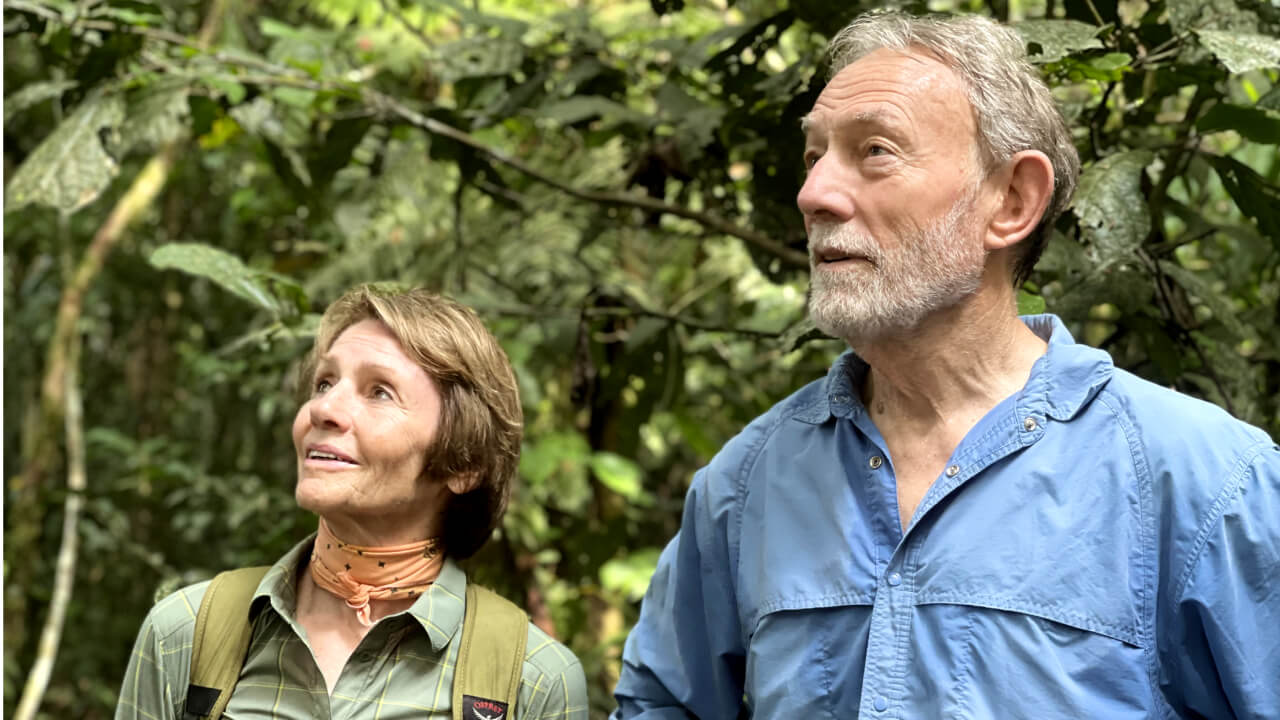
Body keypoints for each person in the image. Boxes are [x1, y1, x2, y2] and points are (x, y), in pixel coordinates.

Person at [613, 11, 1280, 719]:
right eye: (815, 156)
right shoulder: (748, 483)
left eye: (875, 150)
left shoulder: (1206, 482)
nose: (814, 195)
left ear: (1012, 200)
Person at [117, 285, 588, 720]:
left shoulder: (533, 680)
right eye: (324, 383)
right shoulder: (184, 635)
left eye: (379, 391)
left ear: (461, 465)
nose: (323, 409)